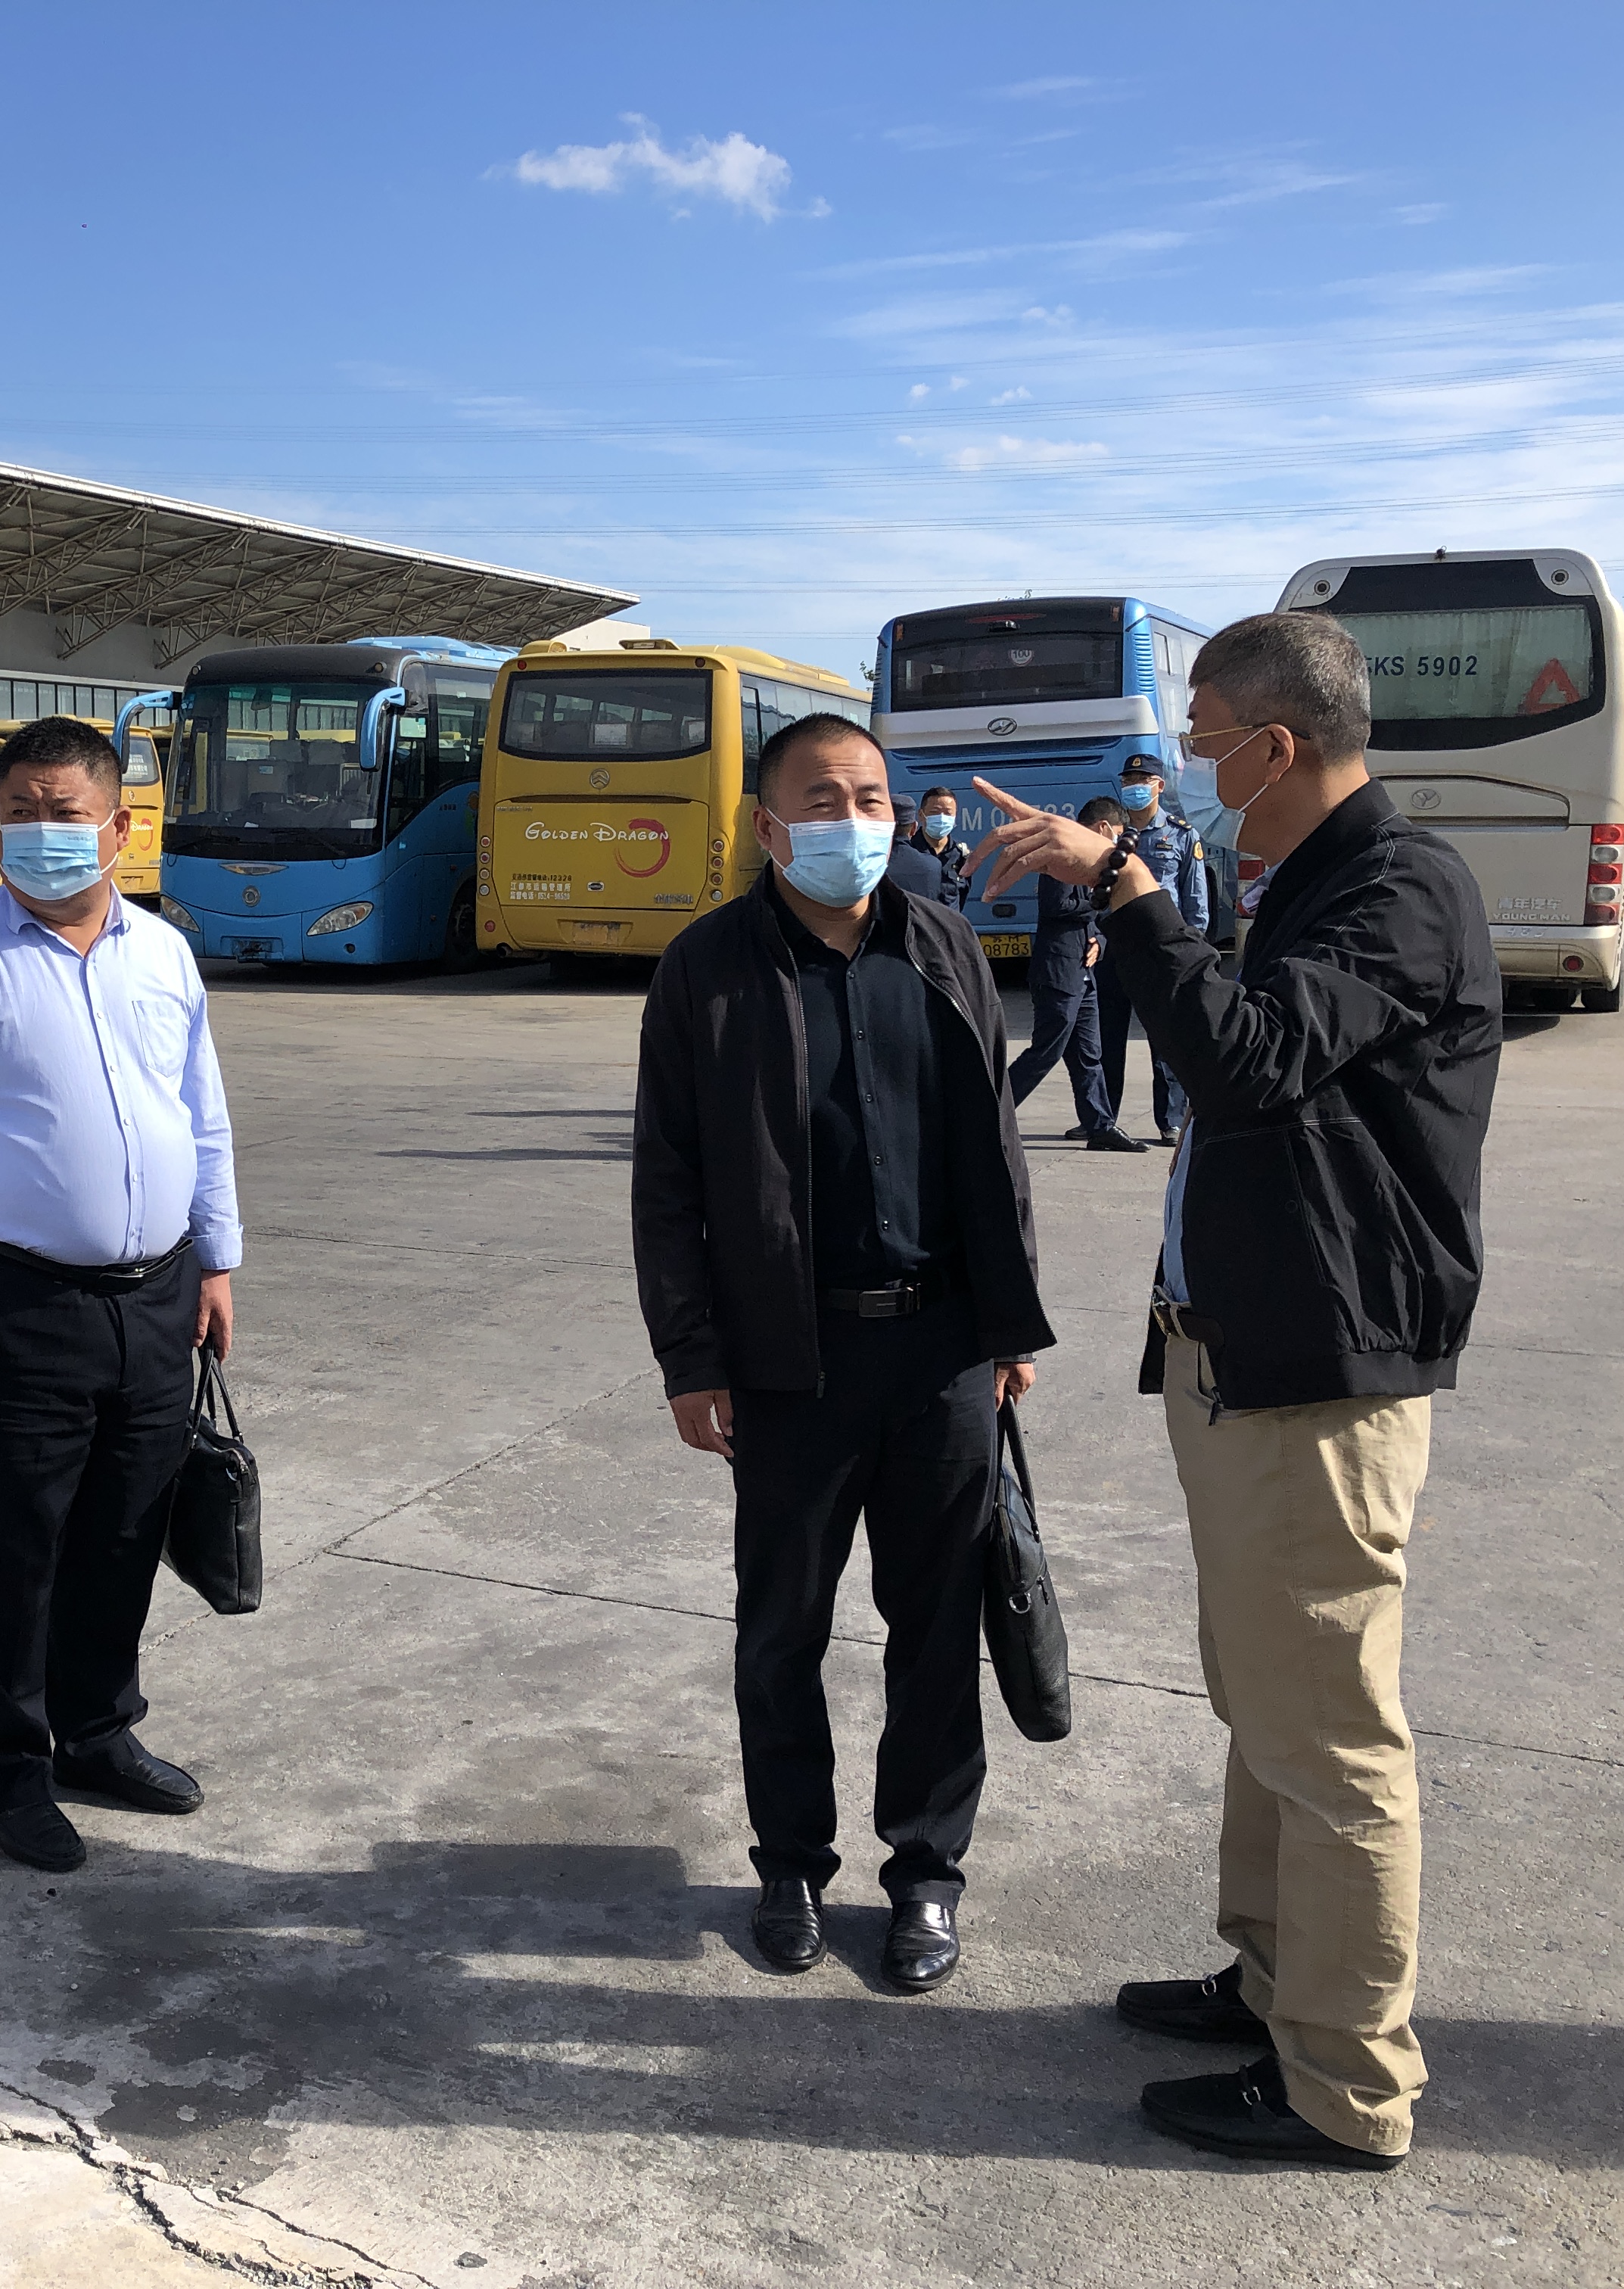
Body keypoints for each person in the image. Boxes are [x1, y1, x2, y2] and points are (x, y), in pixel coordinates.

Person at [969, 609, 1501, 2172]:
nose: (1185, 773)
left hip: (1319, 1372)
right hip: (1241, 1353)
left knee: (1329, 1732)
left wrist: (1128, 890)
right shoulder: (1311, 882)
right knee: (1264, 1696)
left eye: (1202, 743)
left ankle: (1344, 2080)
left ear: (1275, 746)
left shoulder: (1399, 887)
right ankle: (1274, 1979)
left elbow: (1248, 1060)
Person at [633, 715, 1054, 1995]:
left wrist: (1008, 1322)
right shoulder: (705, 967)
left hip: (941, 1348)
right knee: (781, 1631)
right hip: (787, 1358)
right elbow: (669, 1178)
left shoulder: (942, 945)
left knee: (935, 1627)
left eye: (871, 795)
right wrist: (690, 1356)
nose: (854, 819)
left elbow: (994, 1143)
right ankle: (790, 1865)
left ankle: (925, 1871)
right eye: (821, 798)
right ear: (767, 825)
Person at [0, 713, 242, 1876]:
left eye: (65, 814)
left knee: (126, 1528)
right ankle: (9, 1768)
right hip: (19, 1302)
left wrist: (216, 1256)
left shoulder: (163, 954)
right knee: (8, 1545)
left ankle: (97, 1735)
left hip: (157, 1294)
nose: (42, 833)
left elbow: (201, 1114)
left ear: (119, 828)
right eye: (20, 813)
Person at [1004, 795, 1147, 1151]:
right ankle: (989, 1112)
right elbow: (1058, 906)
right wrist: (1102, 899)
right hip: (1058, 971)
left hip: (1083, 973)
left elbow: (1093, 919)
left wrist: (1099, 938)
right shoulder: (1064, 855)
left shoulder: (1095, 862)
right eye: (1116, 833)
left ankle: (1100, 1126)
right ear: (1102, 828)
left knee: (1088, 1055)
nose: (1116, 842)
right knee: (1046, 1051)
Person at [1095, 755, 1210, 1144]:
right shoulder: (1110, 835)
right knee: (1106, 1038)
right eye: (1129, 780)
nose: (1134, 787)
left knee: (1166, 1040)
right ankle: (1102, 1118)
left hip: (1161, 951)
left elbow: (1195, 901)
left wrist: (1191, 949)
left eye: (1142, 780)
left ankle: (1171, 1119)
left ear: (1159, 786)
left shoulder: (1181, 835)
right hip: (1114, 947)